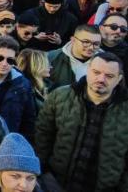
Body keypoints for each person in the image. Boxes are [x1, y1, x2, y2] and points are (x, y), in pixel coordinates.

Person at [35, 52, 128, 191]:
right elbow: (42, 136)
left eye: (109, 76)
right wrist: (44, 175)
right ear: (88, 70)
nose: (101, 79)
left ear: (119, 78)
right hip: (56, 184)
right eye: (96, 72)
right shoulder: (60, 96)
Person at [0, 36, 37, 141]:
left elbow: (29, 121)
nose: (4, 63)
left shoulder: (23, 84)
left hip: (8, 143)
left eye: (10, 60)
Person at [47, 24, 102, 90]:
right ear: (73, 40)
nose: (91, 47)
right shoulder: (51, 57)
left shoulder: (105, 61)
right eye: (86, 42)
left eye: (96, 44)